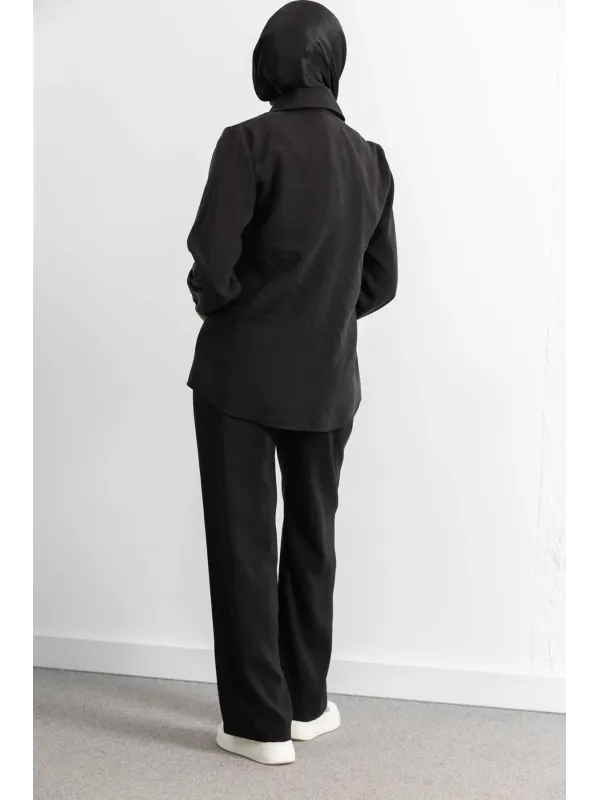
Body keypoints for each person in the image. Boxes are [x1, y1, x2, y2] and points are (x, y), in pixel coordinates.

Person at [186, 0, 397, 765]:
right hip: (327, 378)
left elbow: (212, 267)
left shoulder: (247, 142)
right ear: (332, 64)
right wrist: (322, 314)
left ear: (266, 62)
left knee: (244, 545)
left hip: (238, 378)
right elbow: (381, 283)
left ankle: (258, 725)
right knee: (313, 539)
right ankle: (306, 703)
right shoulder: (370, 159)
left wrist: (234, 308)